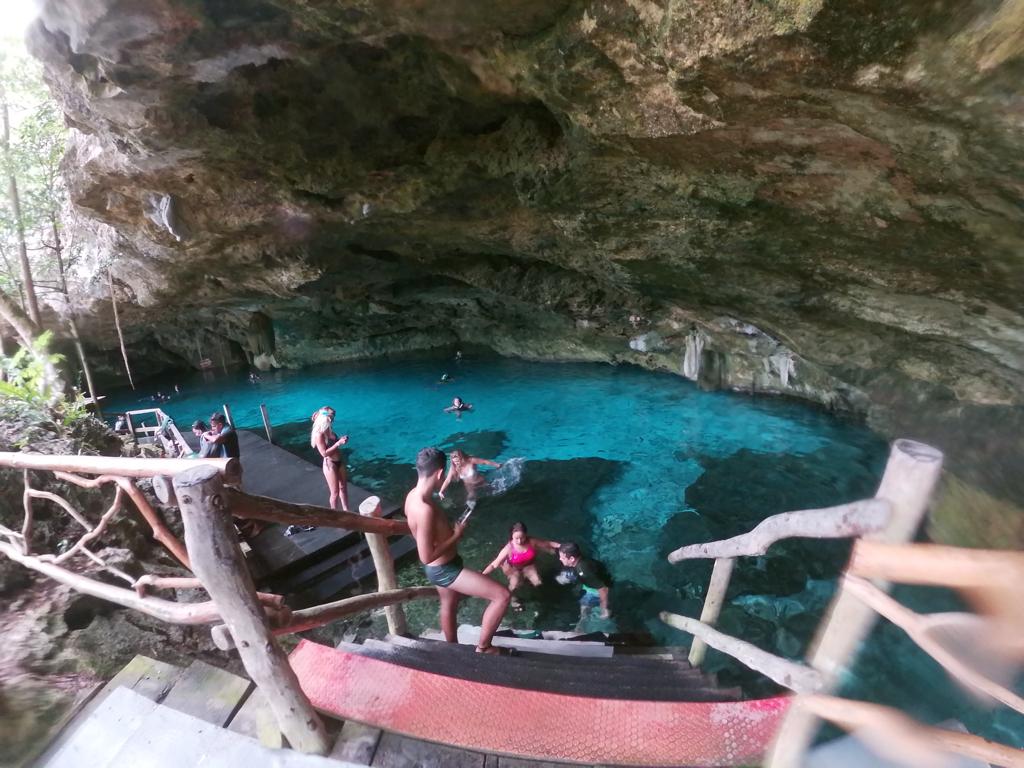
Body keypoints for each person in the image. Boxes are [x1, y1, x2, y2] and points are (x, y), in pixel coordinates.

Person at [405, 447, 510, 653]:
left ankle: (452, 648)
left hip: (443, 566)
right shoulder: (424, 509)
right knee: (502, 596)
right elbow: (425, 556)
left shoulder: (412, 496)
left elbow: (419, 530)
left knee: (449, 603)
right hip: (444, 570)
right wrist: (456, 535)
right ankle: (484, 647)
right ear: (439, 474)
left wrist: (445, 532)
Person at [482, 522, 560, 610]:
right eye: (516, 538)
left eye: (522, 538)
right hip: (512, 567)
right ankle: (512, 599)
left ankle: (526, 583)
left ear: (526, 535)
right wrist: (482, 575)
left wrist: (561, 546)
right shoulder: (508, 548)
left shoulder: (531, 541)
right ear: (511, 536)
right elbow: (494, 564)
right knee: (515, 585)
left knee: (538, 582)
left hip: (528, 565)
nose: (519, 541)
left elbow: (547, 543)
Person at [557, 542, 611, 620]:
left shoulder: (584, 571)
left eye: (562, 557)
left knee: (584, 610)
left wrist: (604, 608)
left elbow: (603, 588)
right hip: (593, 577)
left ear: (572, 559)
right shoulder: (581, 559)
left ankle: (583, 622)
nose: (560, 559)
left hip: (596, 588)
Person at [310, 406, 349, 512]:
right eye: (331, 417)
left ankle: (346, 511)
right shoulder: (319, 434)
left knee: (343, 488)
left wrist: (340, 440)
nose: (333, 419)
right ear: (325, 418)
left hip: (339, 461)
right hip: (330, 465)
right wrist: (338, 443)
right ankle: (334, 514)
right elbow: (324, 453)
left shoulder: (330, 430)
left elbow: (334, 443)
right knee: (335, 493)